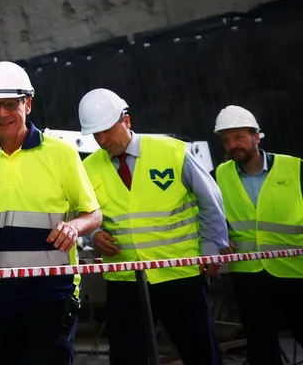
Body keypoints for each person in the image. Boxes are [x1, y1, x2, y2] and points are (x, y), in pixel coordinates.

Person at [0, 61, 102, 365]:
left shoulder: (61, 153)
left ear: (28, 104)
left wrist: (74, 227)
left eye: (10, 105)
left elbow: (94, 214)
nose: (2, 114)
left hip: (53, 291)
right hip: (1, 292)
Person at [77, 88, 227, 365]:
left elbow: (211, 200)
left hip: (179, 274)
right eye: (95, 134)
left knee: (200, 353)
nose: (102, 140)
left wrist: (210, 248)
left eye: (107, 130)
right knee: (127, 357)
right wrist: (94, 236)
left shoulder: (170, 151)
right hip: (125, 280)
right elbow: (84, 214)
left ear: (127, 121)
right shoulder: (88, 168)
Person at [212, 105, 303, 365]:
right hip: (248, 275)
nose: (233, 145)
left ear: (256, 136)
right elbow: (207, 214)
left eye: (239, 137)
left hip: (295, 271)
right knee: (260, 345)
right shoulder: (219, 175)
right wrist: (218, 237)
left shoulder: (294, 168)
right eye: (227, 140)